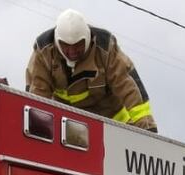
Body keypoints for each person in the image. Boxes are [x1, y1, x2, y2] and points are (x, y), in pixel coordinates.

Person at [26, 8, 157, 132]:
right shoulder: (44, 53)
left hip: (113, 123)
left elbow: (129, 89)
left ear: (87, 38)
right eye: (66, 46)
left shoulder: (106, 49)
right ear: (57, 42)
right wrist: (38, 128)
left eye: (78, 45)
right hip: (68, 128)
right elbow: (37, 96)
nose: (72, 51)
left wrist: (147, 131)